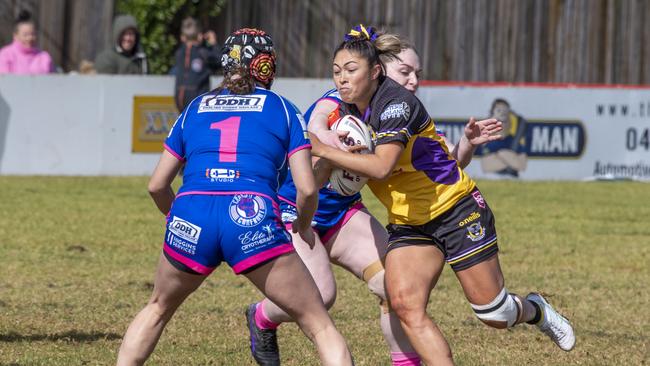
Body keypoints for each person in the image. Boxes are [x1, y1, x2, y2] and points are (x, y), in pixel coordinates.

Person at [309, 24, 575, 365]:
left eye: (350, 70)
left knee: (494, 313)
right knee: (404, 305)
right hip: (409, 223)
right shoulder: (345, 109)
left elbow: (381, 168)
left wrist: (325, 150)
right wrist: (320, 154)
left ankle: (535, 309)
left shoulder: (397, 105)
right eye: (336, 72)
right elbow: (319, 135)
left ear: (375, 71)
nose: (413, 81)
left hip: (455, 210)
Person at [245, 28, 502, 366]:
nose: (412, 82)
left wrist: (467, 144)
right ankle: (262, 316)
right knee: (320, 295)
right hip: (299, 211)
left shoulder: (400, 110)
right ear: (378, 68)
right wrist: (331, 142)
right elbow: (317, 125)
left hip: (343, 214)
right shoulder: (341, 97)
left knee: (393, 289)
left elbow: (441, 163)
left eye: (417, 75)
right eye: (405, 72)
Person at [116, 28, 353, 366]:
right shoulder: (283, 109)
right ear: (267, 66)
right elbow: (307, 187)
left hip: (192, 211)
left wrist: (179, 220)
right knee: (318, 324)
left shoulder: (195, 107)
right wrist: (302, 226)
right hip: (250, 213)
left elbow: (156, 185)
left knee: (157, 309)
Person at [173, 17, 222, 111]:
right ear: (200, 36)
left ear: (182, 37)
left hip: (179, 98)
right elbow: (221, 61)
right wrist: (213, 44)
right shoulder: (204, 54)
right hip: (198, 99)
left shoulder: (179, 53)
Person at [479, 98, 528, 178]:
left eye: (505, 112)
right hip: (493, 178)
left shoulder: (513, 141)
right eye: (499, 111)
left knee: (503, 154)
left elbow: (522, 166)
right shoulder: (489, 141)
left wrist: (503, 155)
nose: (502, 114)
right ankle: (507, 169)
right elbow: (485, 165)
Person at [0, 10, 54, 75]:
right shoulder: (5, 55)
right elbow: (4, 80)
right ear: (15, 36)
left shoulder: (44, 57)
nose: (30, 38)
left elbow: (52, 81)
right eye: (25, 35)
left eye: (33, 34)